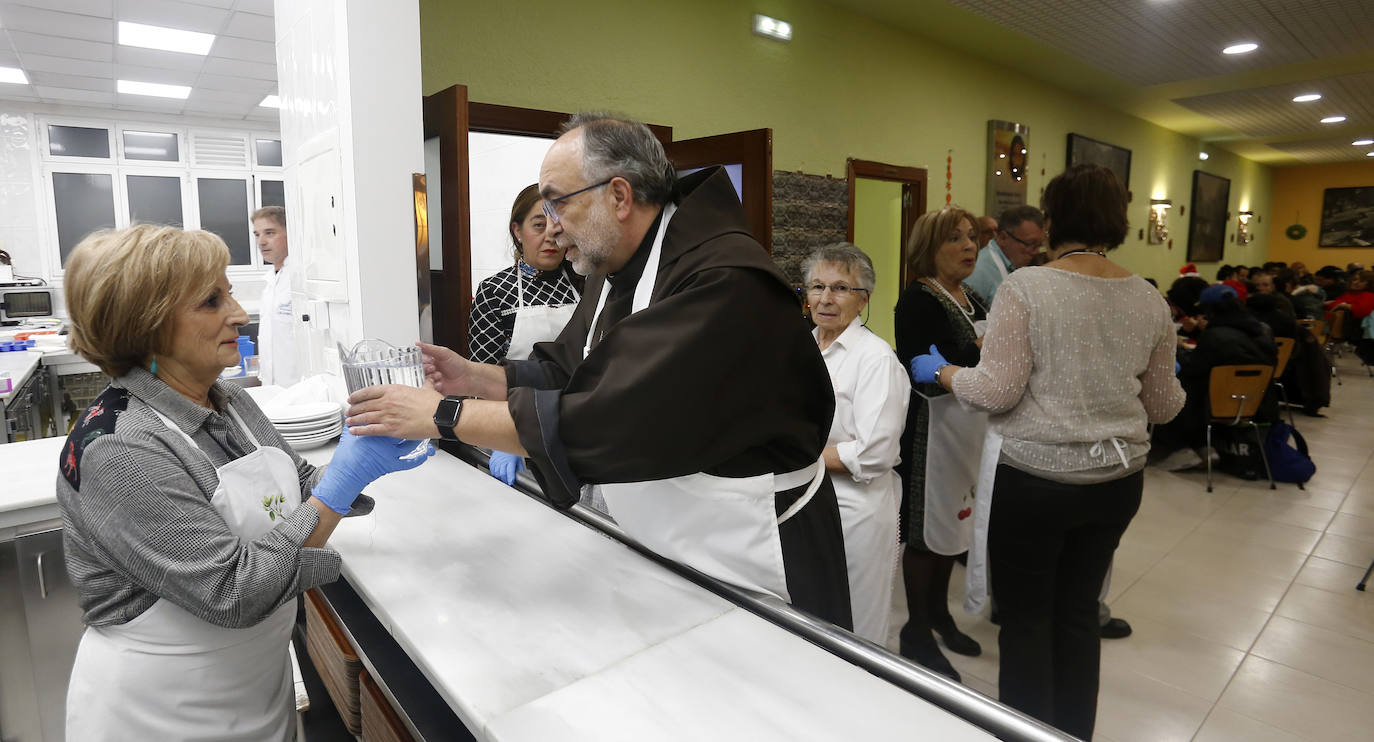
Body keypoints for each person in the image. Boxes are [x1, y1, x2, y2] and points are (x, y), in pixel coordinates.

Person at [345, 112, 853, 628]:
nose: (552, 224)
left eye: (558, 202)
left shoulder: (722, 283)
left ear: (618, 196)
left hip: (747, 546)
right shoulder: (612, 266)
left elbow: (605, 418)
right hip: (670, 537)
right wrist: (474, 379)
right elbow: (571, 368)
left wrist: (443, 414)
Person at [56, 225, 432, 740]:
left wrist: (363, 462)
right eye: (212, 300)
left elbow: (299, 486)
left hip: (254, 687)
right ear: (146, 325)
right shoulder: (121, 446)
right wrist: (343, 480)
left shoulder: (229, 401)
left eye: (229, 292)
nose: (238, 312)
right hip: (161, 709)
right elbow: (234, 591)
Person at [910, 164, 1184, 739]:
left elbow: (998, 391)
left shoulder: (1027, 287)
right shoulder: (1149, 299)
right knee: (1079, 614)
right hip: (1116, 482)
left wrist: (947, 371)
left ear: (1053, 220)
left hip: (1037, 482)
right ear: (1118, 222)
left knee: (1029, 622)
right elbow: (1164, 407)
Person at [892, 205, 986, 680]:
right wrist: (976, 353)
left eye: (971, 237)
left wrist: (973, 356)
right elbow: (922, 374)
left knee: (955, 527)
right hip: (933, 433)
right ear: (930, 249)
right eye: (956, 239)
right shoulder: (918, 302)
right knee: (928, 534)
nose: (970, 246)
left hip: (968, 432)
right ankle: (916, 632)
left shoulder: (973, 298)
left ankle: (941, 616)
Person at [805, 243, 908, 644]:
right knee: (814, 613)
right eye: (817, 286)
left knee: (856, 623)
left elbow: (873, 452)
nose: (826, 299)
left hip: (856, 511)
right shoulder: (805, 346)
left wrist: (798, 457)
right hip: (808, 499)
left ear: (863, 299)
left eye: (841, 288)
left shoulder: (876, 360)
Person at [467, 184, 584, 484]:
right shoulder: (495, 292)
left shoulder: (586, 284)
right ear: (517, 231)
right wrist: (503, 438)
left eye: (557, 224)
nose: (550, 236)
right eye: (539, 225)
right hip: (515, 428)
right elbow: (484, 374)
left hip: (576, 427)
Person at [1153, 284, 1277, 470]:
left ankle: (1182, 448)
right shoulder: (1263, 330)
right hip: (1257, 402)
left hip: (1212, 403)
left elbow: (1192, 368)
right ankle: (1203, 447)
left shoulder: (1216, 335)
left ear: (1210, 310)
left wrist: (1175, 347)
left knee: (1168, 389)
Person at [253, 206, 300, 386]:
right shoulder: (270, 282)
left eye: (270, 233)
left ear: (291, 234)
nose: (261, 242)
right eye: (257, 235)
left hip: (298, 388)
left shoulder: (298, 280)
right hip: (272, 387)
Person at [965, 205, 1044, 305]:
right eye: (1030, 244)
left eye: (1040, 245)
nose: (1037, 252)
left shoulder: (1023, 265)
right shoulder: (978, 271)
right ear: (1003, 238)